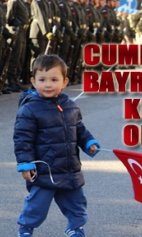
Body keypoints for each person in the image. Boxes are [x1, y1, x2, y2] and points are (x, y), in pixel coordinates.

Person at [13, 55, 101, 237]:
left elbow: (80, 130)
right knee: (37, 204)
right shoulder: (29, 109)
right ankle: (26, 228)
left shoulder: (71, 107)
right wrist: (26, 164)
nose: (48, 85)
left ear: (65, 82)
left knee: (77, 203)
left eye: (54, 80)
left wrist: (89, 143)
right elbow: (23, 140)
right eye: (42, 80)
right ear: (33, 81)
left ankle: (75, 228)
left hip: (69, 168)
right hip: (45, 169)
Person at [6, 0, 30, 93]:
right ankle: (11, 81)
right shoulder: (14, 0)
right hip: (17, 31)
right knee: (15, 57)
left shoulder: (21, 0)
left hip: (23, 31)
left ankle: (16, 80)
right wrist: (16, 24)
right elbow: (9, 18)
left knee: (20, 57)